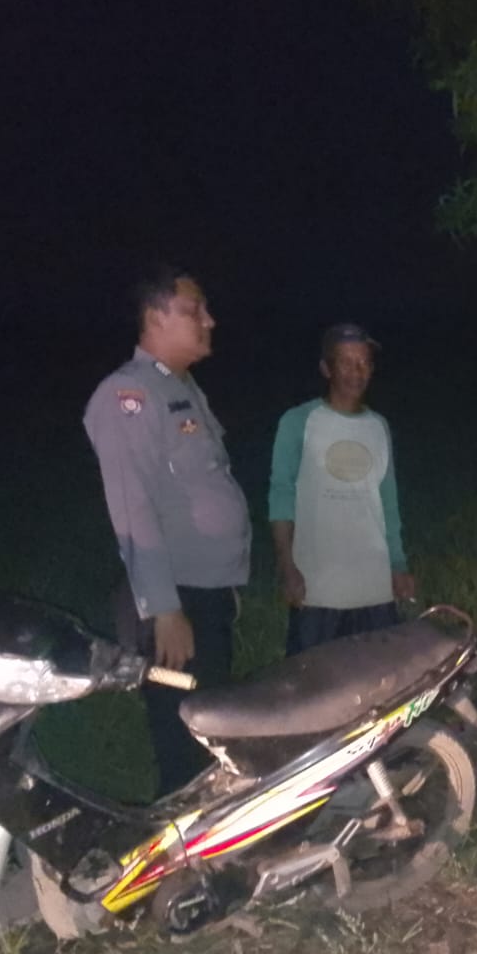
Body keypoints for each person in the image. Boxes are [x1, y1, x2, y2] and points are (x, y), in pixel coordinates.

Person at [84, 264, 252, 796]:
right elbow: (133, 509)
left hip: (204, 594)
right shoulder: (128, 395)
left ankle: (216, 832)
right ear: (156, 317)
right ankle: (181, 841)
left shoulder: (180, 388)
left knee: (213, 733)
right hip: (177, 603)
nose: (209, 320)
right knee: (186, 746)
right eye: (194, 310)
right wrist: (164, 610)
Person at [268, 323, 414, 656]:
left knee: (380, 680)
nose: (356, 372)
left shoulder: (379, 426)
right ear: (326, 368)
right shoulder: (297, 421)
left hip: (374, 589)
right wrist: (286, 565)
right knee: (312, 683)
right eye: (346, 362)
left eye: (363, 363)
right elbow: (281, 496)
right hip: (318, 591)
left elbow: (388, 504)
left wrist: (398, 564)